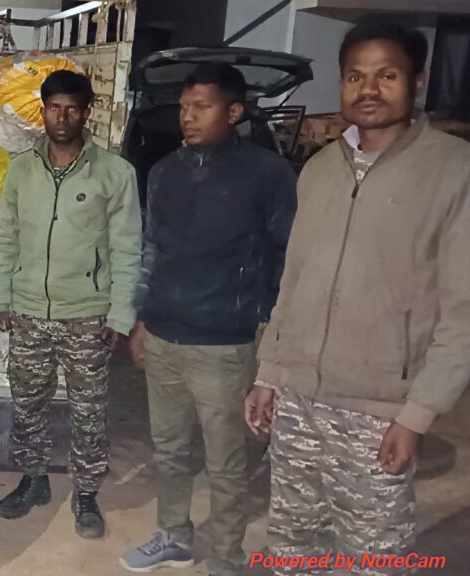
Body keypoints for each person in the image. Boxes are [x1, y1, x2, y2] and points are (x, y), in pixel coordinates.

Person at [244, 18, 470, 575]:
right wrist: (269, 374)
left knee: (372, 556)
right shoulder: (319, 169)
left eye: (386, 75)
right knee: (292, 544)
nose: (368, 89)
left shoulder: (453, 170)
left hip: (379, 411)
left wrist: (417, 415)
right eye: (354, 76)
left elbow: (462, 312)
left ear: (417, 82)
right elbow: (294, 280)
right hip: (298, 399)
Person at [119, 63, 297, 576]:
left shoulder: (267, 175)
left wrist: (268, 326)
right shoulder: (164, 172)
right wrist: (140, 318)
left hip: (225, 342)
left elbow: (286, 257)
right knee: (170, 449)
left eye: (202, 106)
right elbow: (153, 249)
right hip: (164, 334)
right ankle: (174, 535)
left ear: (234, 111)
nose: (188, 117)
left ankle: (226, 557)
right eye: (183, 107)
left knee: (225, 461)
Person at [0, 70, 142, 539]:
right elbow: (6, 237)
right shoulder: (21, 169)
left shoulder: (115, 173)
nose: (62, 117)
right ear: (43, 111)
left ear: (86, 112)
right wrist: (0, 297)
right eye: (54, 107)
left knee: (89, 411)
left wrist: (120, 315)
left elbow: (127, 249)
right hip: (29, 311)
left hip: (87, 315)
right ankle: (33, 480)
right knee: (27, 404)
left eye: (72, 108)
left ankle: (87, 492)